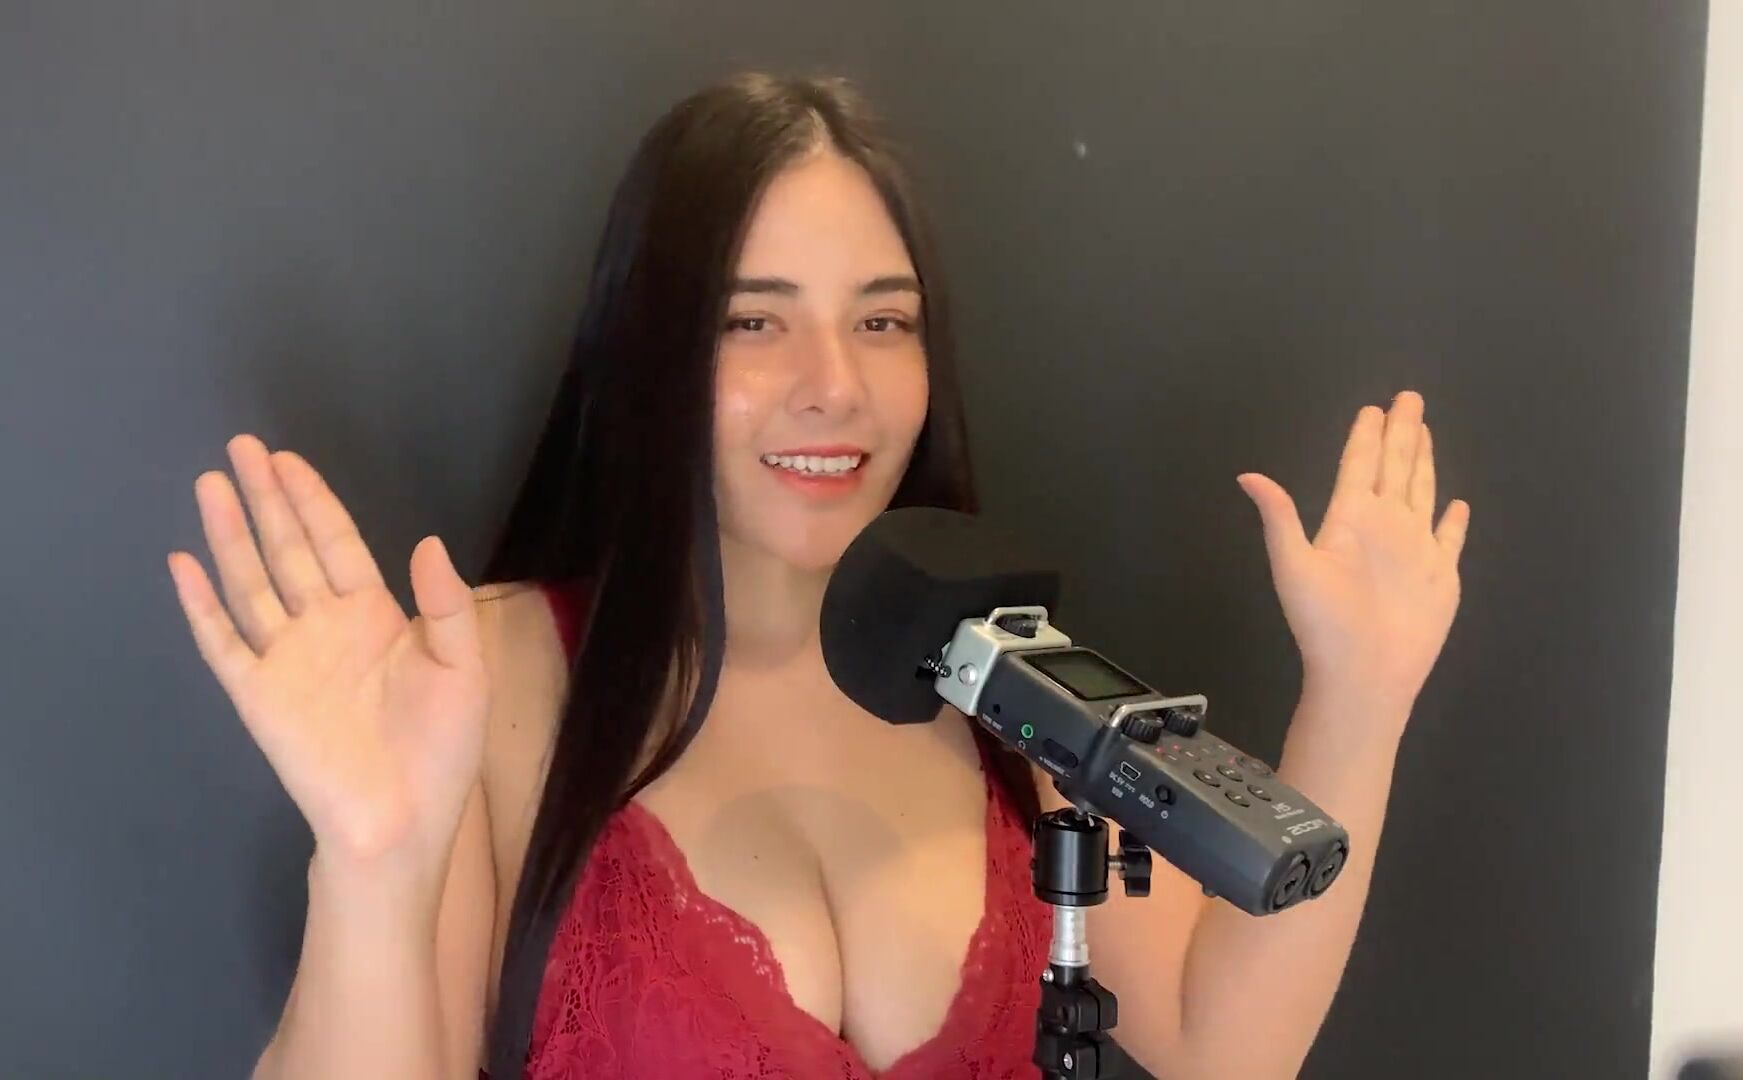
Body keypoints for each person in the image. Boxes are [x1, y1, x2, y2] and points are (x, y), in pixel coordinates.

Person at [165, 71, 1470, 1080]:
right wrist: (374, 860)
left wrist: (1361, 697)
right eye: (754, 318)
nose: (834, 384)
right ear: (651, 346)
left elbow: (1219, 1040)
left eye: (882, 320)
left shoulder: (1004, 678)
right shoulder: (483, 686)